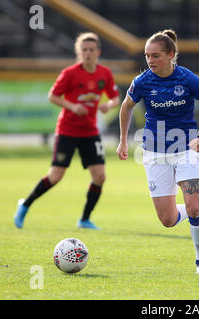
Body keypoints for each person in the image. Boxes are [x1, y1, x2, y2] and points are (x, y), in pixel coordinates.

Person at [116, 29, 199, 274]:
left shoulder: (188, 79)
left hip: (186, 149)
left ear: (171, 54)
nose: (150, 61)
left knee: (194, 208)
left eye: (155, 56)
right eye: (147, 56)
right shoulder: (142, 81)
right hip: (154, 152)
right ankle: (196, 208)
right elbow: (126, 107)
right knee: (167, 220)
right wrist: (123, 140)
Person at [14, 32, 120, 230]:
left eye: (91, 50)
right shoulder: (70, 73)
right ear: (78, 52)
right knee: (56, 176)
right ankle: (25, 205)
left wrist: (109, 105)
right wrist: (72, 106)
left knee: (100, 176)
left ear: (98, 52)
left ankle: (85, 219)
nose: (88, 53)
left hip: (90, 131)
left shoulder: (104, 73)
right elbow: (53, 96)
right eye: (84, 50)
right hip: (67, 131)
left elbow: (115, 97)